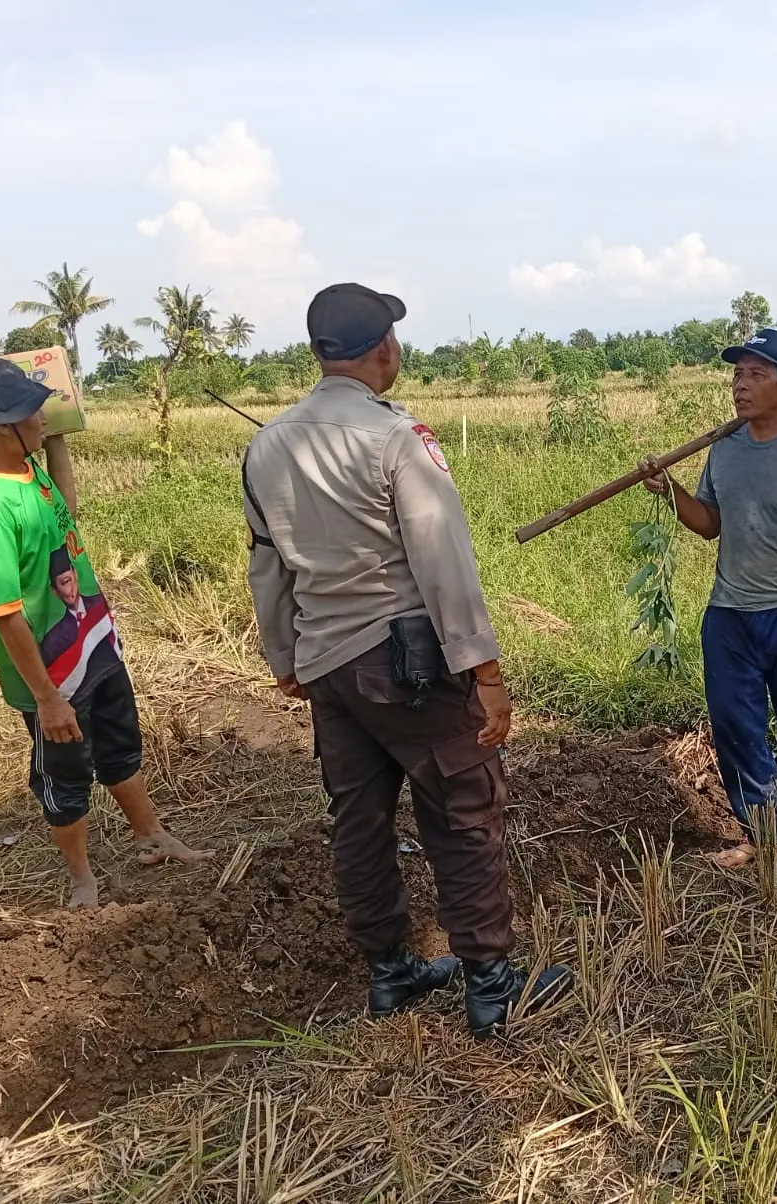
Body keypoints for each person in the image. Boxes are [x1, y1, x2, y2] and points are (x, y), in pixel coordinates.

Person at [242, 282, 571, 1033]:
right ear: (384, 349)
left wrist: (283, 655)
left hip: (328, 664)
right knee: (463, 808)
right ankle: (491, 983)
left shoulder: (267, 444)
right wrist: (485, 672)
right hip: (406, 663)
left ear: (320, 353)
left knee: (358, 821)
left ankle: (390, 973)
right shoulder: (395, 438)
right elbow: (442, 561)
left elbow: (267, 565)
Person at [0, 359, 212, 911]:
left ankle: (151, 836)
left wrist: (57, 442)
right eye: (33, 411)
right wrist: (47, 700)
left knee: (121, 747)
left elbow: (66, 514)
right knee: (67, 776)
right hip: (52, 674)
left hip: (92, 642)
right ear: (3, 425)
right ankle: (82, 879)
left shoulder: (28, 468)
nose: (42, 416)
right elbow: (5, 614)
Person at [639, 329, 777, 868]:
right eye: (737, 374)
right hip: (730, 614)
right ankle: (762, 832)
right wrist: (671, 491)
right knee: (734, 722)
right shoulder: (725, 448)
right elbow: (710, 524)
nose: (740, 385)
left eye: (755, 374)